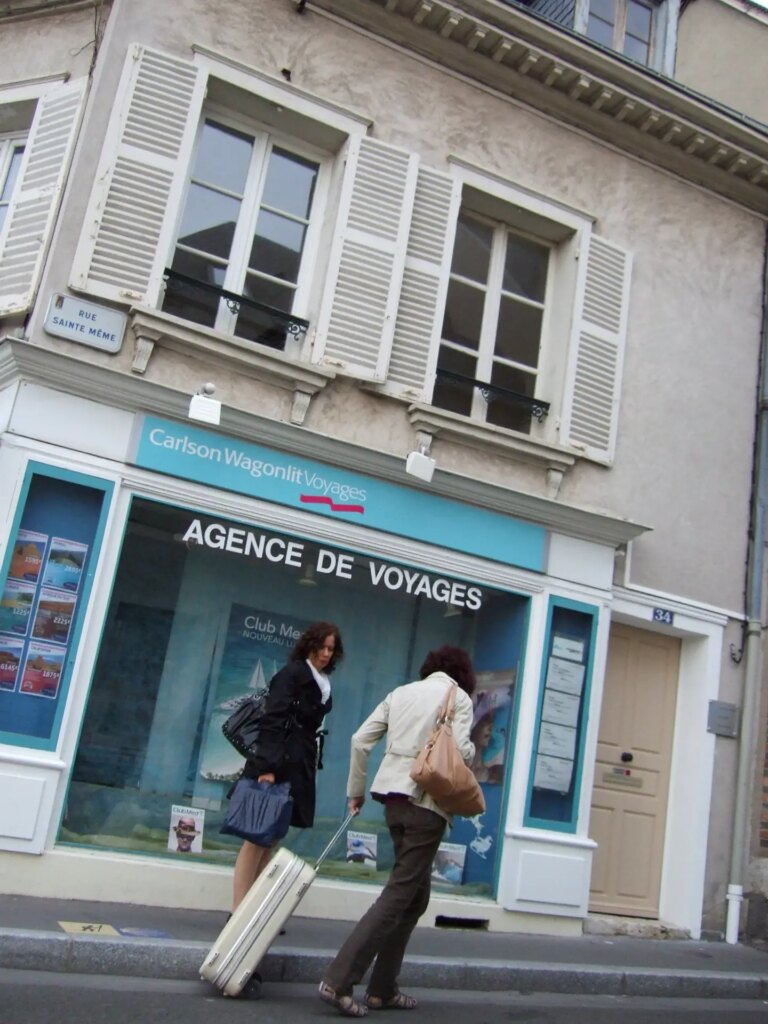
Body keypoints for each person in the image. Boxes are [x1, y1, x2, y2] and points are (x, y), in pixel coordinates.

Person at [319, 646, 476, 1018]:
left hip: (392, 800)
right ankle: (338, 980)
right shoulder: (459, 698)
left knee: (414, 897)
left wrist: (355, 791)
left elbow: (360, 739)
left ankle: (382, 989)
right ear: (461, 672)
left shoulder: (401, 692)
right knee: (400, 892)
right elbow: (464, 752)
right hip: (427, 803)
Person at [230, 621, 343, 911]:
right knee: (257, 836)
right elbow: (273, 719)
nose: (326, 654)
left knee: (273, 837)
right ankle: (239, 909)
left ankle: (253, 908)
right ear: (310, 645)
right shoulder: (293, 674)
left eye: (331, 649)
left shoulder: (321, 680)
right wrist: (267, 767)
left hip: (300, 762)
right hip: (279, 761)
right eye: (322, 647)